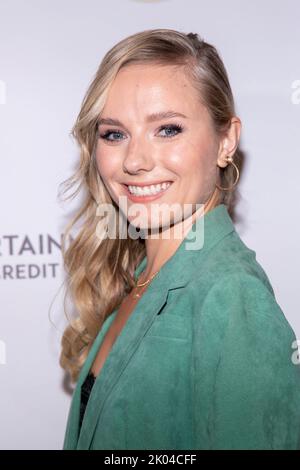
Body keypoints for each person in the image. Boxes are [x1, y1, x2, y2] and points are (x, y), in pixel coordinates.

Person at [59, 28, 300, 450]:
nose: (134, 161)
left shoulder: (230, 295)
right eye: (114, 133)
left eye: (167, 129)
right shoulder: (141, 276)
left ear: (226, 141)